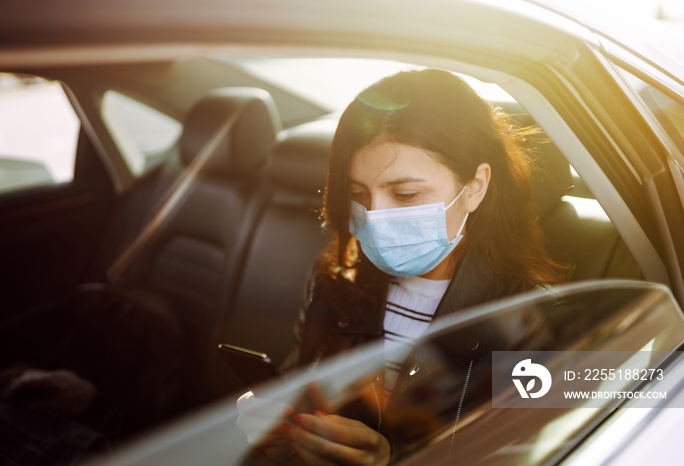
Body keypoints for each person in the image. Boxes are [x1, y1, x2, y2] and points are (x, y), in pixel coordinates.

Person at [237, 68, 567, 465]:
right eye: (358, 193)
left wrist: (395, 459)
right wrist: (280, 428)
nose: (375, 216)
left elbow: (522, 454)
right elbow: (302, 388)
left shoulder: (532, 320)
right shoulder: (336, 282)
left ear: (475, 187)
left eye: (406, 194)